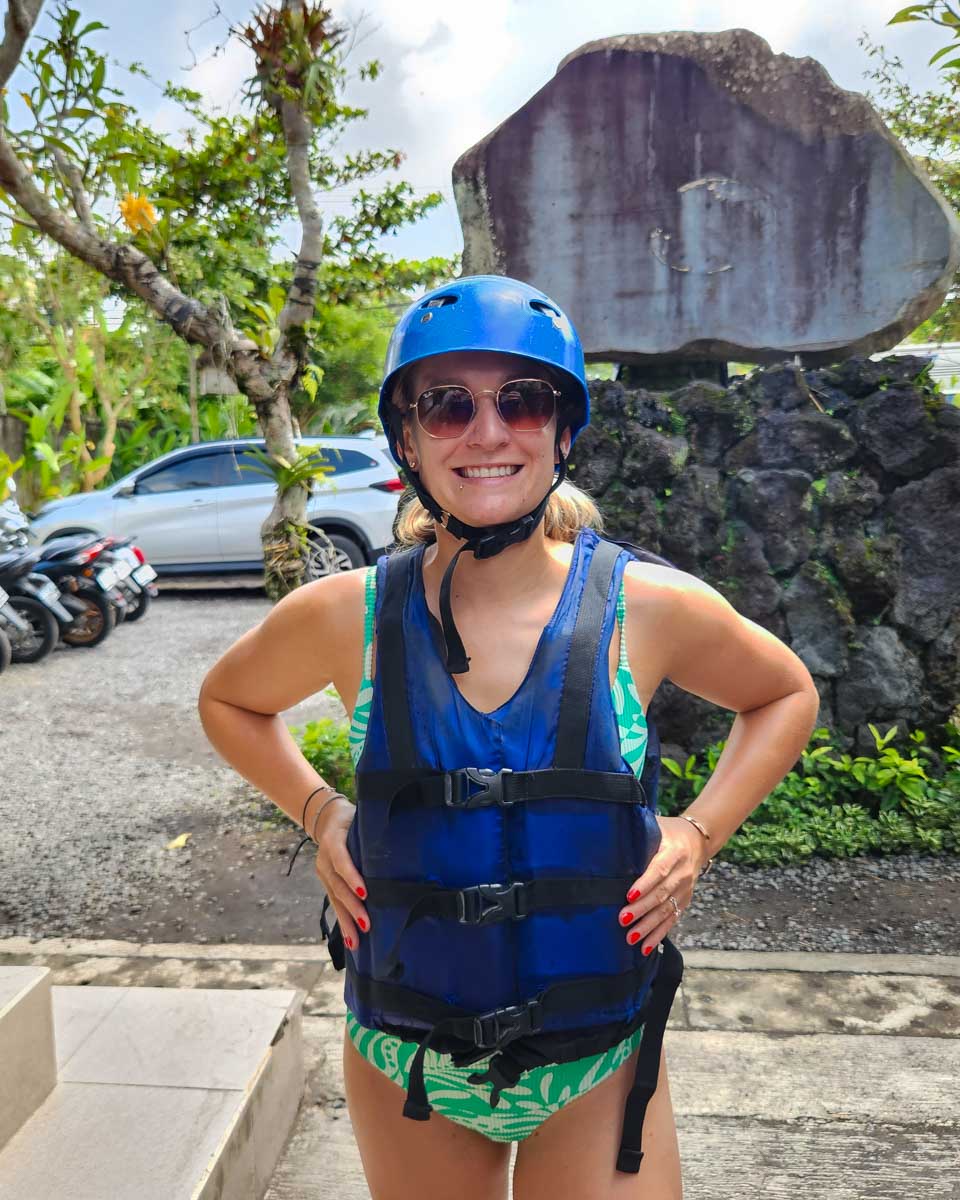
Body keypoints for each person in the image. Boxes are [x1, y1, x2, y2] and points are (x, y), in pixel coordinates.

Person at [198, 275, 821, 1199]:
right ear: (406, 439)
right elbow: (228, 701)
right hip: (408, 1060)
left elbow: (784, 694)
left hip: (597, 1055)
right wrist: (320, 811)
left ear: (563, 430)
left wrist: (697, 832)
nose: (487, 433)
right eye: (447, 406)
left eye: (521, 402)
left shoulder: (644, 607)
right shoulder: (347, 616)